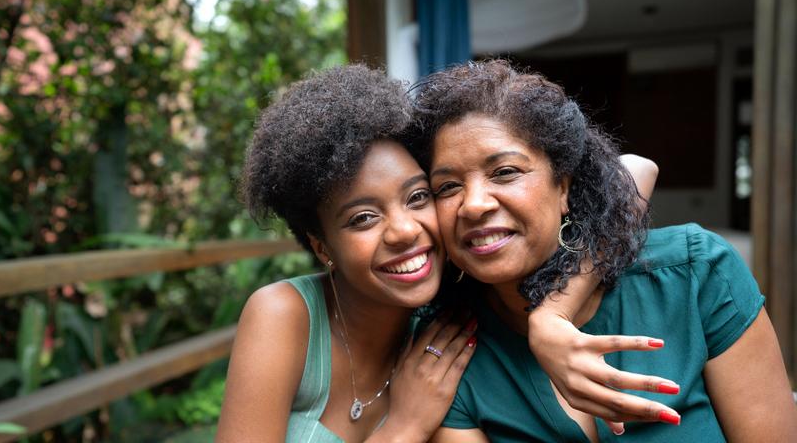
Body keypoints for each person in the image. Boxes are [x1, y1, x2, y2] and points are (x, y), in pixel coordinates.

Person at [217, 65, 672, 442]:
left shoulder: (456, 310)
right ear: (321, 247)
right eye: (363, 218)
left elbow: (635, 171)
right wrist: (404, 426)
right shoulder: (284, 316)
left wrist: (555, 311)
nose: (403, 231)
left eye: (418, 197)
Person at [405, 60, 797, 442]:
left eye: (505, 172)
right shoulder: (449, 353)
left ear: (564, 186)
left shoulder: (694, 273)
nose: (473, 205)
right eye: (447, 187)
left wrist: (552, 312)